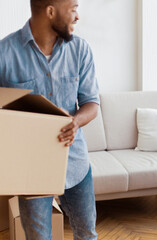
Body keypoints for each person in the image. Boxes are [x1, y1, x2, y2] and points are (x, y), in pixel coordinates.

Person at [0, 0, 99, 239]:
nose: (77, 17)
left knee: (87, 234)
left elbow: (92, 103)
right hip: (31, 169)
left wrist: (76, 121)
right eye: (73, 9)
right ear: (51, 11)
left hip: (75, 162)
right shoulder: (5, 53)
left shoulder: (80, 50)